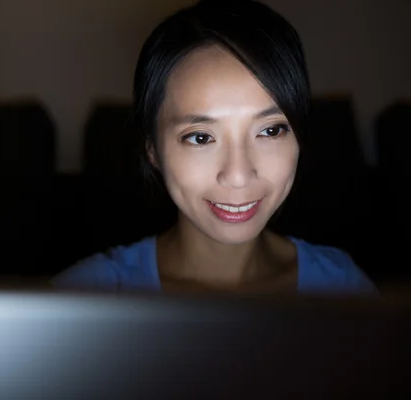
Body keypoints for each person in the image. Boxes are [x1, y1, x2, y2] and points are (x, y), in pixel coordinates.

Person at [53, 0, 376, 295]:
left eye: (270, 130)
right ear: (152, 150)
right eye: (201, 137)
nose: (238, 176)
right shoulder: (82, 296)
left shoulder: (343, 289)